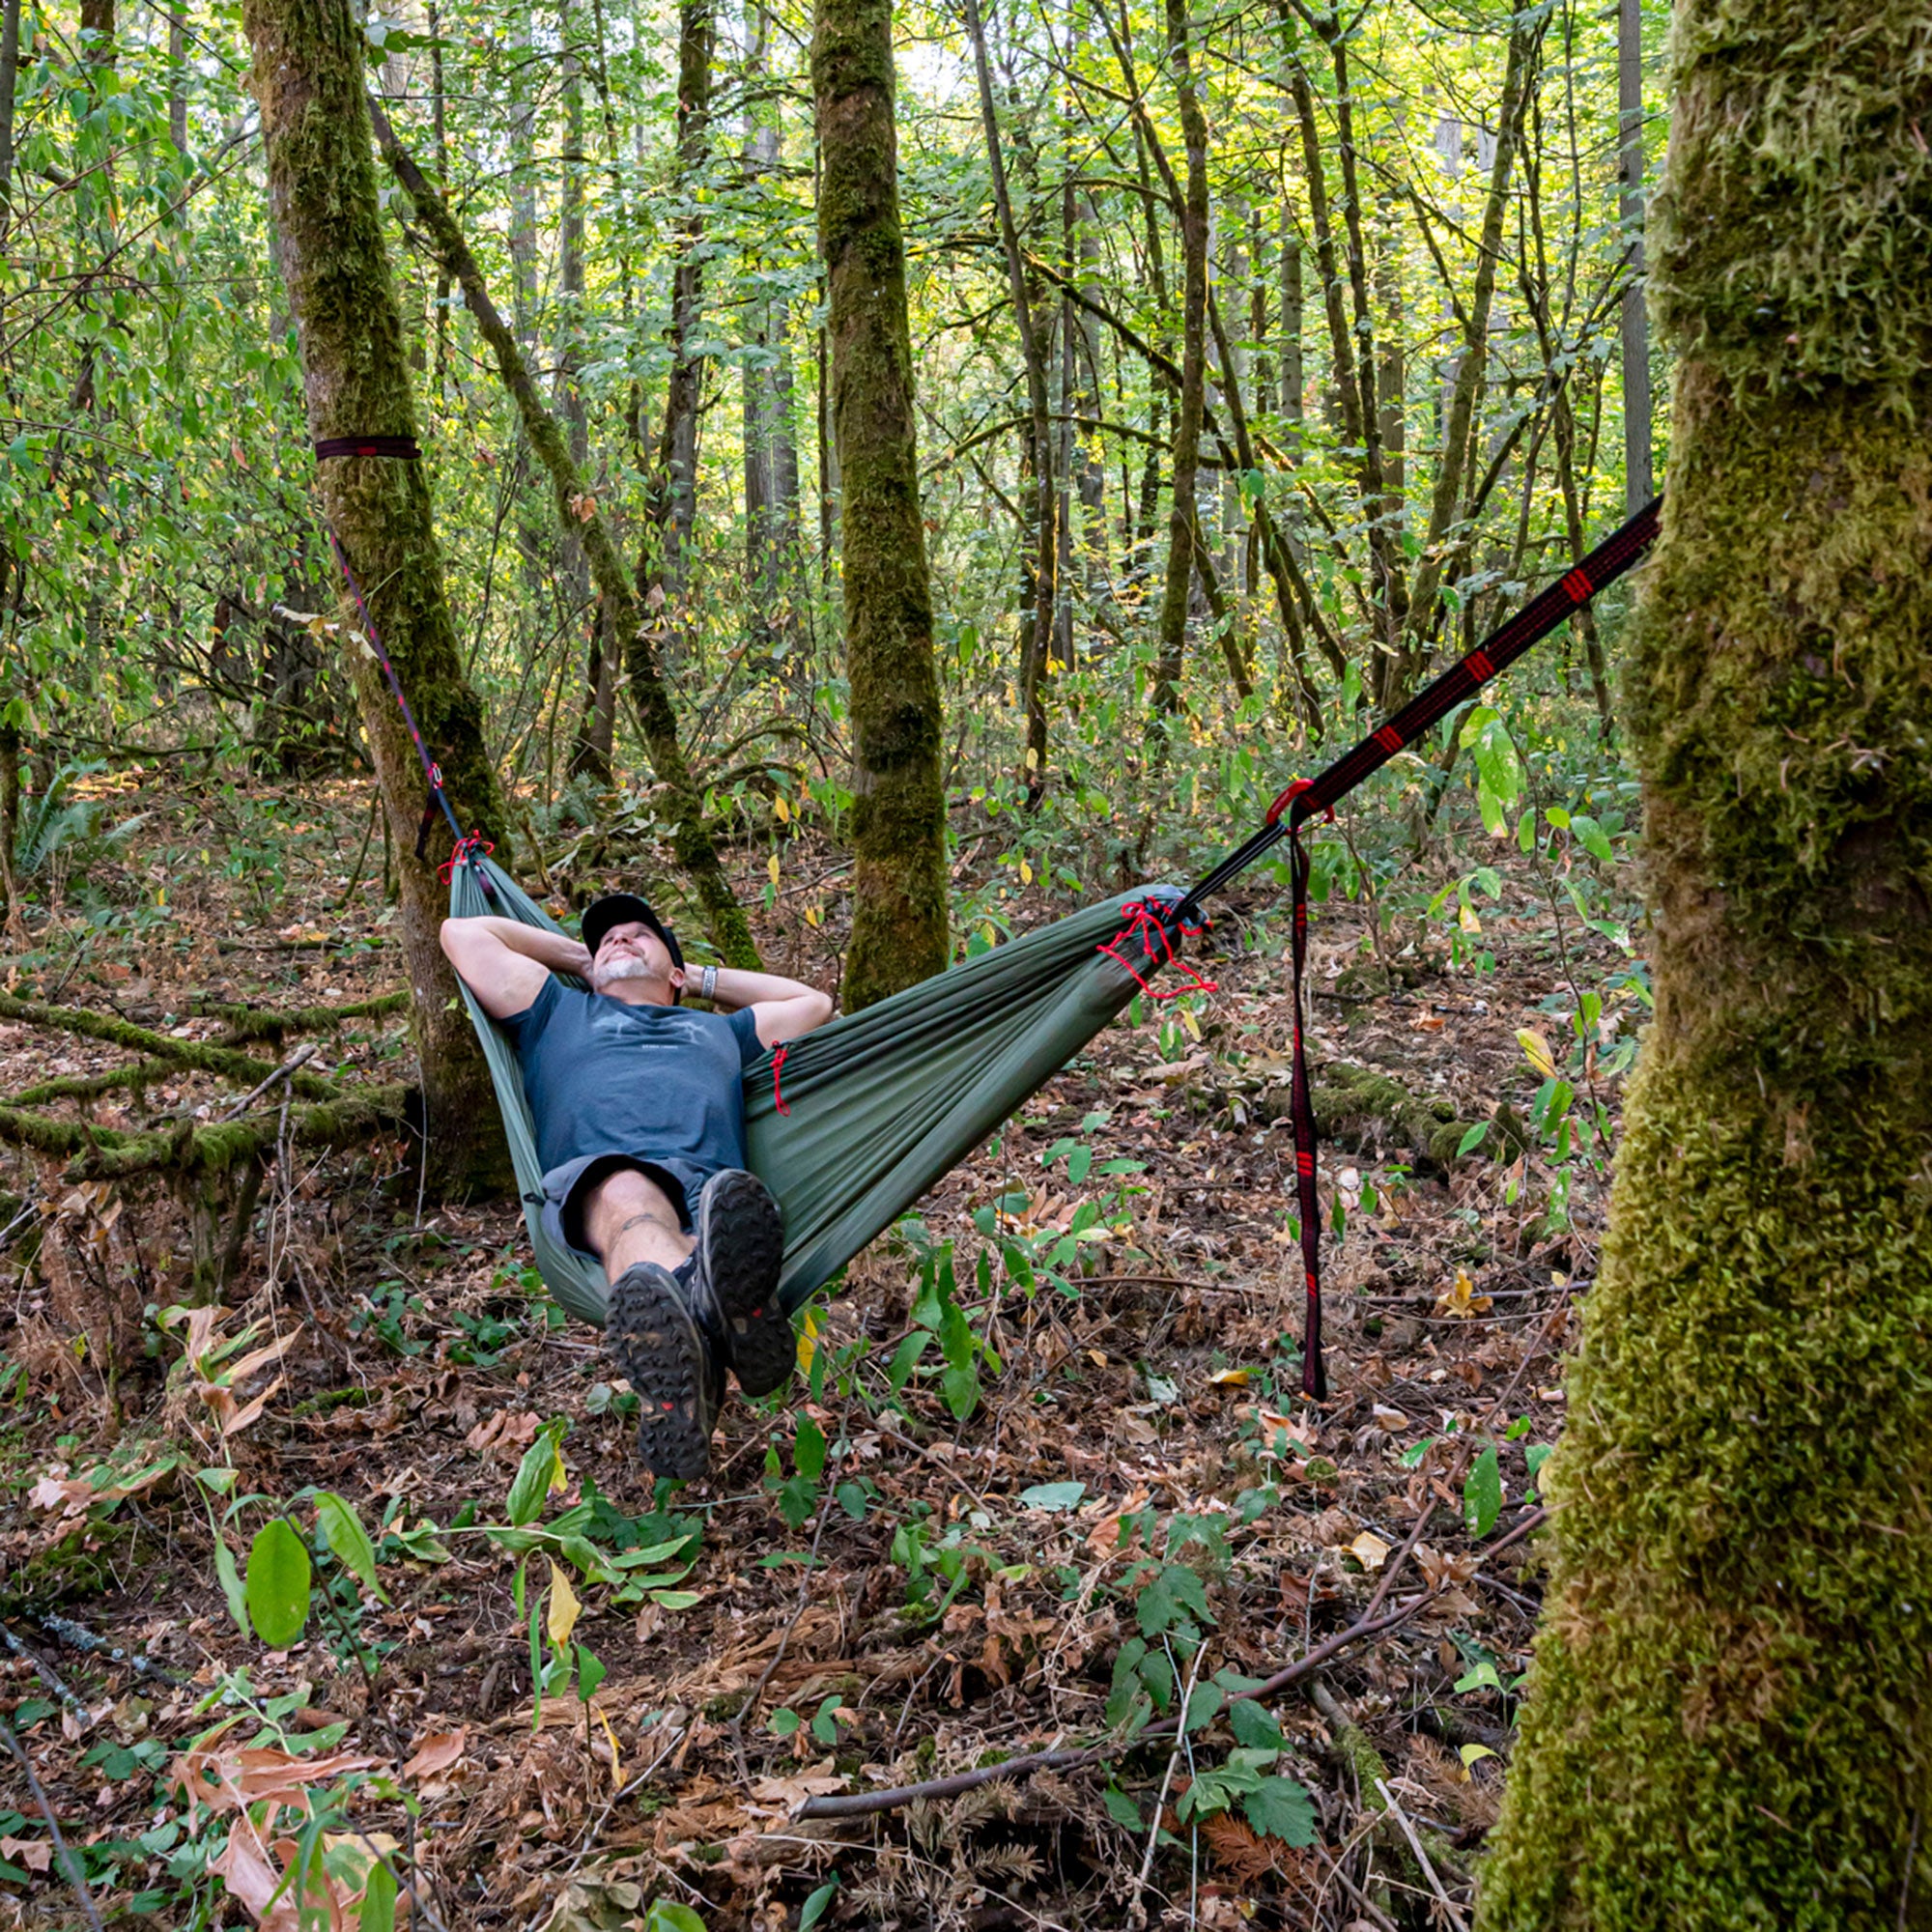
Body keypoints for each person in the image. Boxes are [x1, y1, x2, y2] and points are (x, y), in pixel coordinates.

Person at [440, 895, 835, 1479]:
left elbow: (813, 1004)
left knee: (722, 1217)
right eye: (607, 940)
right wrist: (581, 959)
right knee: (630, 1196)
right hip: (598, 1180)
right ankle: (711, 1302)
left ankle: (690, 1369)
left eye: (638, 935)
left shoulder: (721, 1030)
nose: (619, 940)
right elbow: (462, 934)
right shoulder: (554, 1011)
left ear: (675, 974)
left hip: (714, 1201)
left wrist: (697, 979)